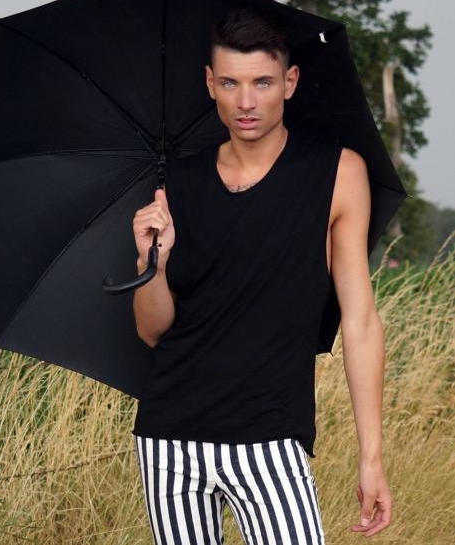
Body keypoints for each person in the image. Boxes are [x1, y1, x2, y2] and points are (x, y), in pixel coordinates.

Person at [131, 8, 392, 545]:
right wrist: (150, 262)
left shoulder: (338, 173)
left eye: (262, 83)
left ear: (289, 82)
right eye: (230, 83)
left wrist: (372, 458)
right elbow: (153, 331)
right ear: (210, 83)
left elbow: (361, 322)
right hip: (170, 439)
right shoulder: (174, 181)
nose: (246, 102)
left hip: (272, 437)